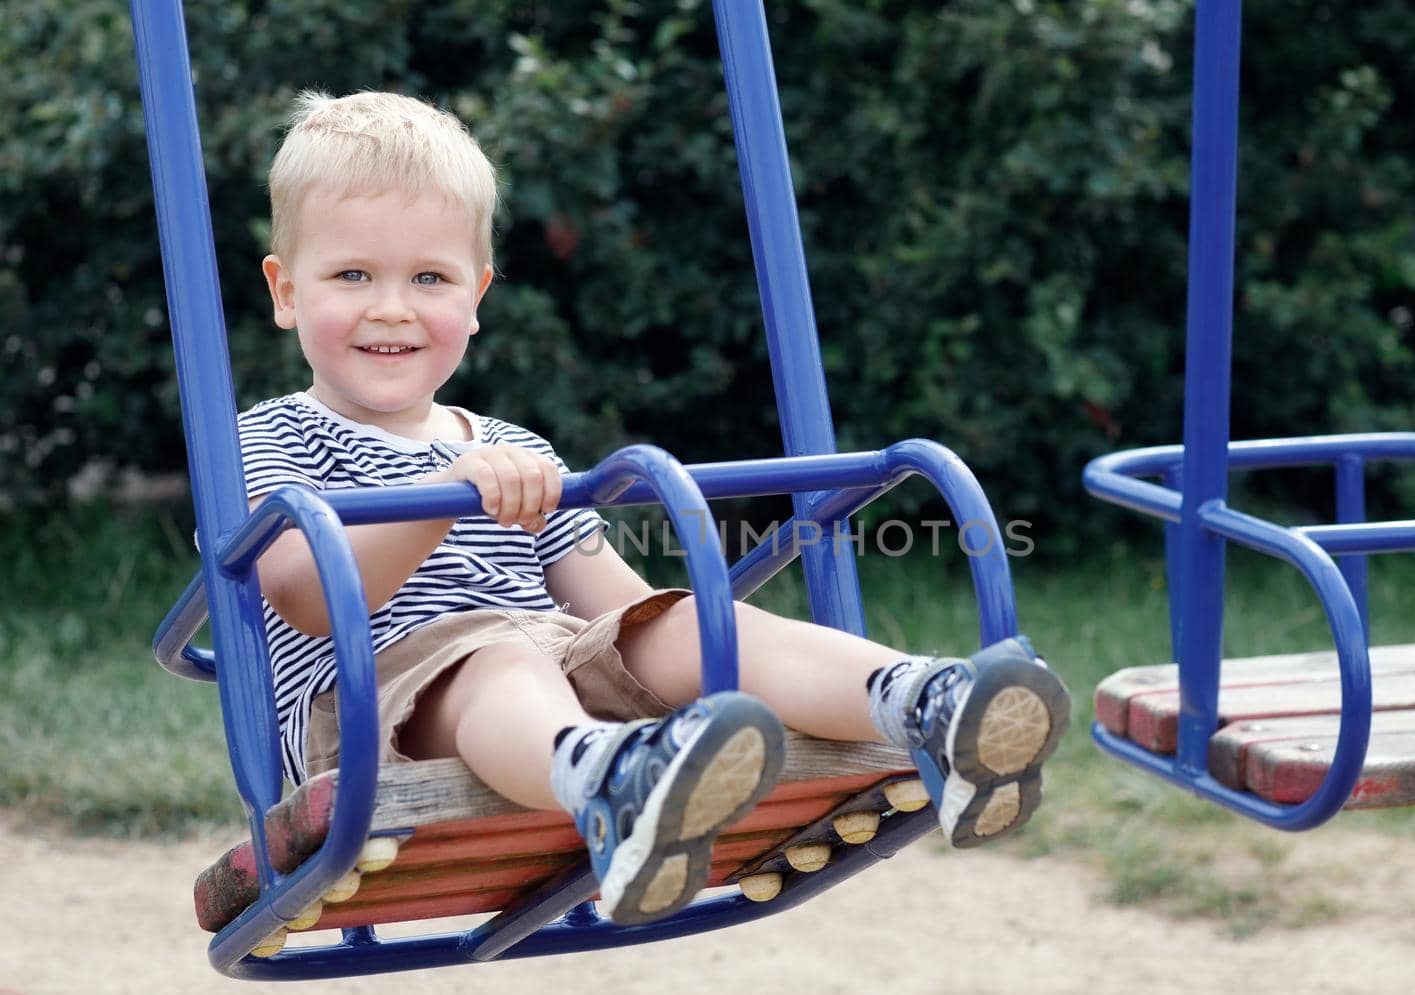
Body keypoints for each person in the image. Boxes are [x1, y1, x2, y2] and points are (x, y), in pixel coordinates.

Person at [242, 90, 1070, 926]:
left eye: (430, 277)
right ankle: (608, 783)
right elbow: (307, 595)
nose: (393, 306)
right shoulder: (267, 439)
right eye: (353, 275)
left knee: (673, 623)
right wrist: (446, 499)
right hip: (372, 707)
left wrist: (682, 649)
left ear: (477, 294)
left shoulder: (512, 445)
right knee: (500, 663)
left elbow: (614, 605)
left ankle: (925, 704)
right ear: (285, 291)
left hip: (556, 667)